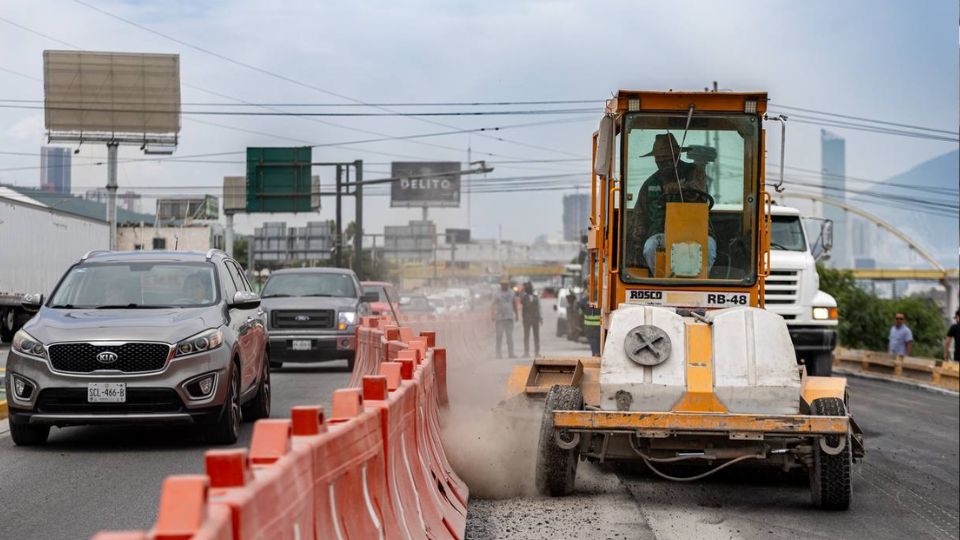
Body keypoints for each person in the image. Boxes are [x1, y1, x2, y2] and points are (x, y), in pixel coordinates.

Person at [627, 133, 717, 275]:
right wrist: (636, 241)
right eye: (659, 159)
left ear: (677, 156)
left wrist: (680, 187)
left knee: (710, 249)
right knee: (649, 248)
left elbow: (699, 186)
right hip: (662, 234)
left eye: (667, 159)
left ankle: (702, 284)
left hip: (698, 232)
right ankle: (661, 281)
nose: (663, 163)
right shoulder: (650, 184)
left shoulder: (695, 172)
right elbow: (639, 214)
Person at [491, 280, 518, 358]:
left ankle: (511, 353)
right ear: (501, 285)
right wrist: (492, 315)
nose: (504, 286)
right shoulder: (497, 294)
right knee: (499, 336)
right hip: (499, 318)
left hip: (509, 317)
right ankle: (498, 354)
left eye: (506, 284)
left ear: (508, 285)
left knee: (509, 337)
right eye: (503, 284)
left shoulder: (512, 293)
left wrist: (517, 315)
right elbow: (493, 305)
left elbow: (514, 303)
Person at [579, 280, 601, 356]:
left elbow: (580, 311)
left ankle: (596, 356)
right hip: (591, 327)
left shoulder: (585, 299)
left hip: (595, 327)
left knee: (595, 346)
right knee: (595, 345)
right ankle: (596, 355)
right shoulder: (585, 298)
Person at [520, 282, 543, 357]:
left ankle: (537, 352)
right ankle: (526, 352)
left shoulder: (536, 297)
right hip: (527, 320)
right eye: (527, 288)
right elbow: (521, 302)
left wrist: (540, 318)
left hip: (535, 319)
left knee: (536, 336)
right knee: (526, 336)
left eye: (530, 287)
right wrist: (522, 292)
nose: (529, 289)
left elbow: (539, 308)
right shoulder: (524, 297)